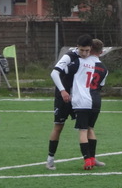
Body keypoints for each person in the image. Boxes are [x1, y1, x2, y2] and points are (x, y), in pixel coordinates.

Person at [45, 34, 93, 170]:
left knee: (87, 127)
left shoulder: (90, 59)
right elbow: (54, 73)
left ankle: (91, 158)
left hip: (79, 99)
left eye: (87, 50)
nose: (84, 53)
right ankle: (50, 159)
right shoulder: (69, 56)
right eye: (82, 50)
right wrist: (63, 91)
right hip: (63, 97)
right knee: (58, 127)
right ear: (77, 47)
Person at [72, 39, 109, 170]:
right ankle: (92, 158)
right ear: (101, 52)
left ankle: (87, 160)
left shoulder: (81, 62)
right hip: (96, 100)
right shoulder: (104, 68)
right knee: (91, 129)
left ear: (89, 49)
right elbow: (100, 86)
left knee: (83, 131)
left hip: (83, 100)